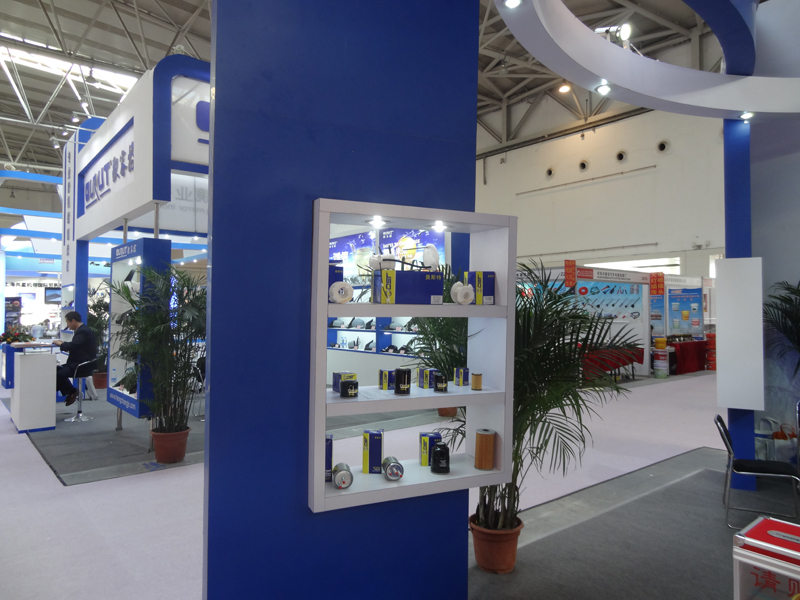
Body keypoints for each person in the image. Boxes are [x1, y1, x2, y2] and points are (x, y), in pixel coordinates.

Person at [53, 311, 97, 407]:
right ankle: (68, 392)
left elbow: (73, 345)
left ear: (73, 321)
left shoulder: (83, 331)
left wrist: (61, 344)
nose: (67, 326)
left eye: (67, 322)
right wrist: (64, 344)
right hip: (78, 362)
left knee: (58, 375)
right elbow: (77, 345)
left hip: (81, 365)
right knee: (55, 370)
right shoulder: (82, 330)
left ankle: (72, 392)